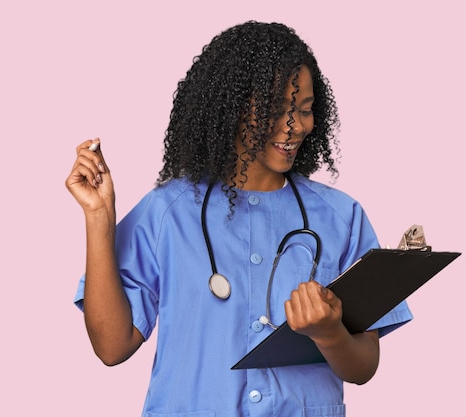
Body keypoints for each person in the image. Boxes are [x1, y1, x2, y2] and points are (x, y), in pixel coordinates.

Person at [66, 21, 412, 416]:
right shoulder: (168, 212)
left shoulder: (341, 217)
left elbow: (364, 365)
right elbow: (112, 346)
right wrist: (98, 217)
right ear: (229, 107)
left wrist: (329, 333)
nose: (295, 126)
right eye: (277, 111)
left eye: (304, 110)